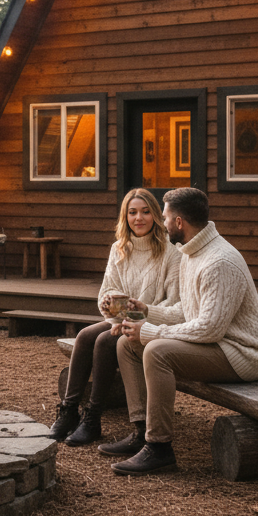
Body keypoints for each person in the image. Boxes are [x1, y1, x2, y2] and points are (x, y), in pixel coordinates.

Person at [101, 187, 258, 475]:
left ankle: (160, 448)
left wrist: (152, 332)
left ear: (179, 222)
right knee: (127, 344)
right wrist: (142, 313)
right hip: (214, 344)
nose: (162, 222)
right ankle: (142, 431)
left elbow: (210, 328)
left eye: (165, 217)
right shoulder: (192, 253)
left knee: (156, 351)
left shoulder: (218, 261)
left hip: (240, 354)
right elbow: (185, 312)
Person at [49, 188, 180, 446]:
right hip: (122, 318)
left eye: (144, 212)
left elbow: (173, 302)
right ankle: (68, 411)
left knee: (104, 341)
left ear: (155, 214)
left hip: (151, 323)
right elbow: (107, 291)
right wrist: (113, 308)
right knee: (85, 335)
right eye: (132, 212)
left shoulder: (170, 252)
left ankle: (93, 418)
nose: (138, 218)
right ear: (125, 216)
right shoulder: (119, 248)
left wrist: (134, 317)